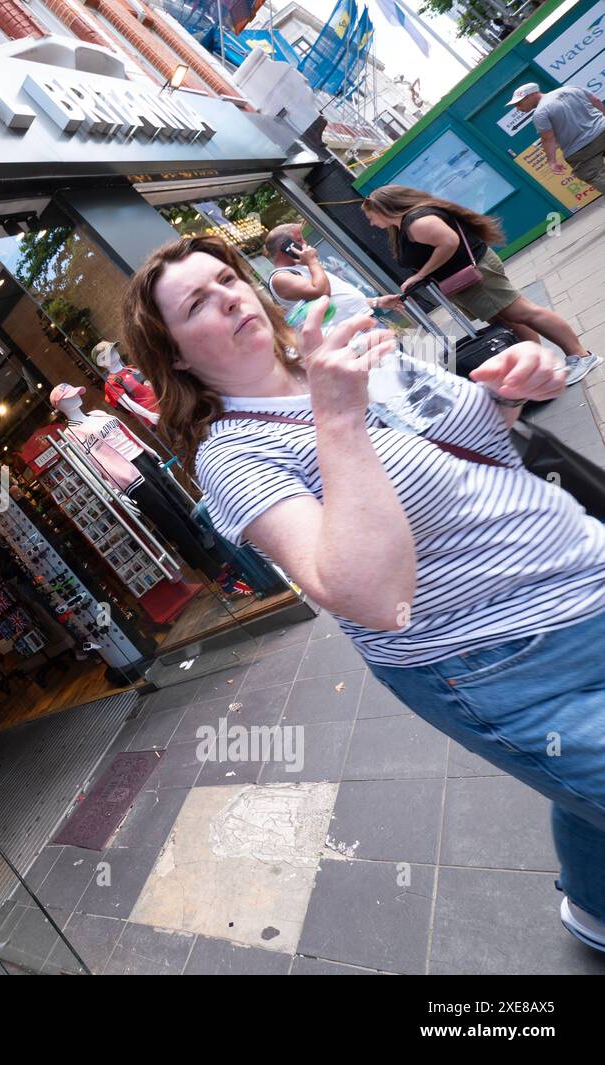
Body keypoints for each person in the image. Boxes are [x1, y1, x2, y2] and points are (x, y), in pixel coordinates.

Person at [121, 233, 605, 954]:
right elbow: (370, 596)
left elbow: (476, 431)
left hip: (584, 570)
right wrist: (337, 417)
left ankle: (594, 908)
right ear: (179, 358)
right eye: (196, 302)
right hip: (504, 659)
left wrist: (511, 386)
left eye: (226, 278)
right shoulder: (235, 453)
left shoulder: (344, 351)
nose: (227, 294)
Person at [362, 184, 599, 385]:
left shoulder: (417, 222)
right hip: (467, 278)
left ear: (381, 208)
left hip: (476, 275)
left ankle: (581, 356)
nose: (371, 224)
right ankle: (541, 363)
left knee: (524, 313)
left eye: (370, 217)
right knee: (508, 320)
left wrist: (420, 275)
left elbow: (448, 242)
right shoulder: (409, 223)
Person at [263, 223, 401, 328]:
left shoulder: (303, 266)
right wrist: (312, 261)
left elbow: (338, 298)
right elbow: (322, 293)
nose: (305, 244)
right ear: (285, 246)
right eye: (299, 240)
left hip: (366, 321)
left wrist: (377, 302)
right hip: (352, 334)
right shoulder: (280, 277)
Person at [508, 81, 605, 191]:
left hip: (580, 149)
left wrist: (552, 161)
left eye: (519, 103)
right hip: (602, 129)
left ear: (532, 95)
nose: (518, 108)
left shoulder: (540, 113)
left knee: (595, 176)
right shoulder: (571, 88)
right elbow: (596, 101)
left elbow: (548, 138)